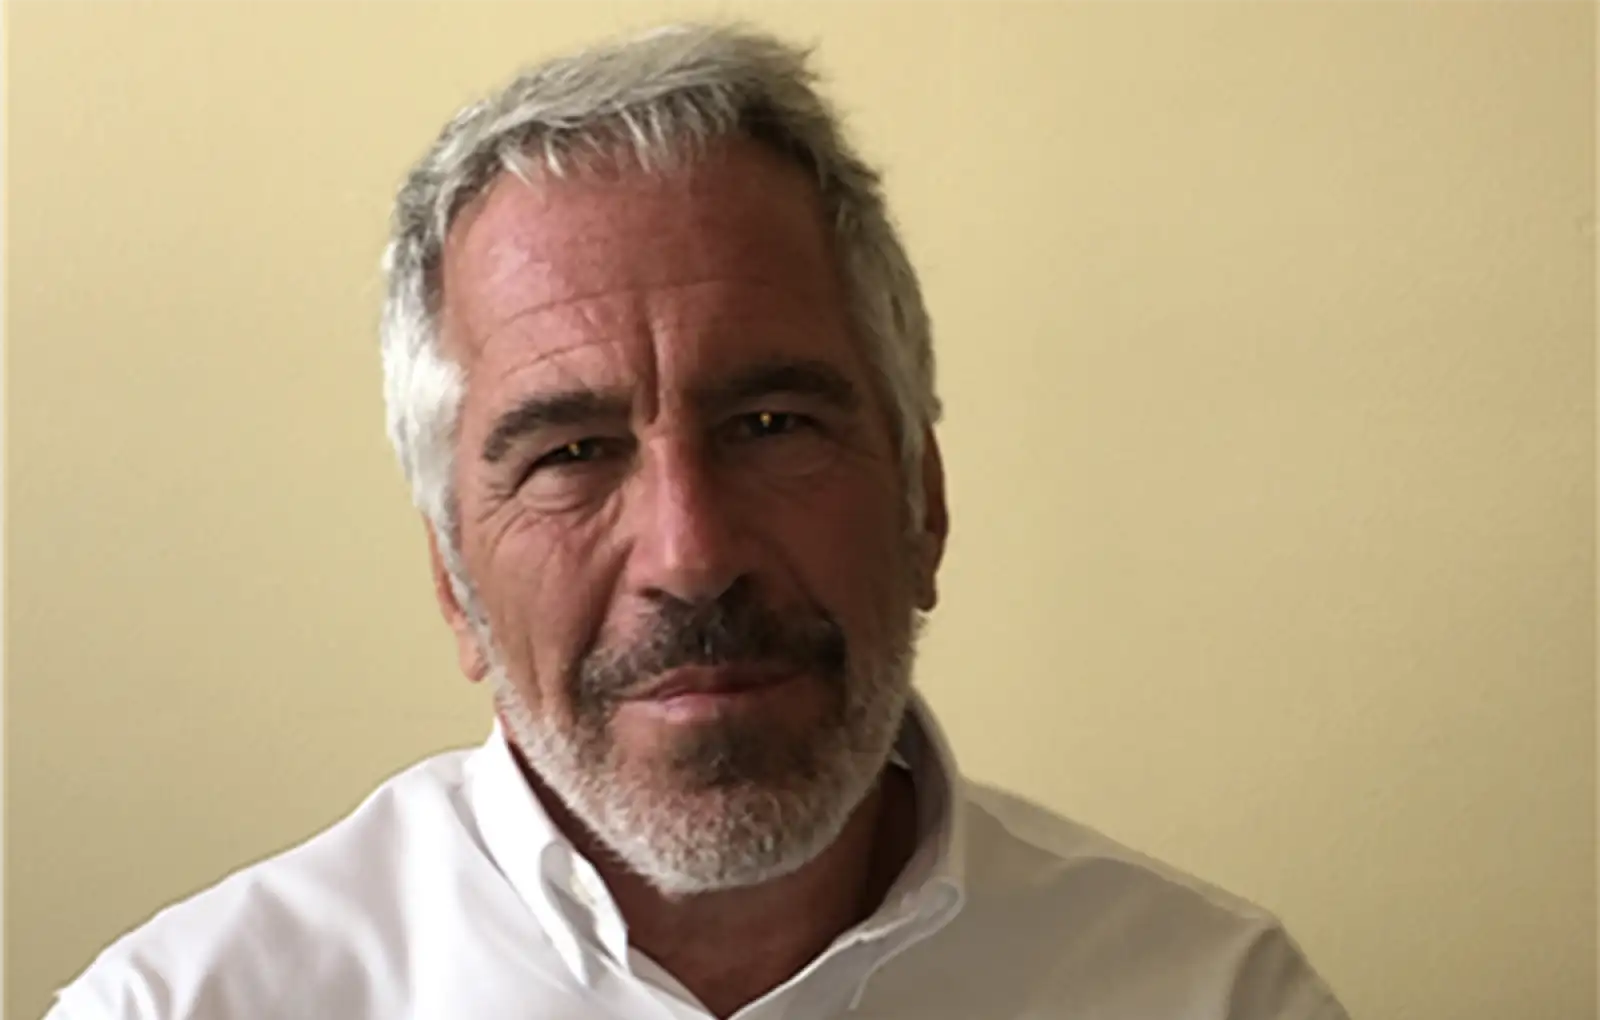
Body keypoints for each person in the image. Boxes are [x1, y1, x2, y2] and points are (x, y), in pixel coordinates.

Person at [47, 23, 1349, 1020]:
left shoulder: (1214, 996)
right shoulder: (185, 1006)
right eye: (570, 455)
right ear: (453, 580)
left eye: (772, 424)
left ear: (924, 502)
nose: (691, 555)